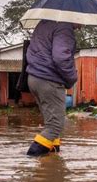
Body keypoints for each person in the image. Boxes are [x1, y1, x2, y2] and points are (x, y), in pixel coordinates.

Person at [26, 20, 79, 156]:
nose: (84, 23)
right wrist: (72, 78)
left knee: (52, 124)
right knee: (55, 126)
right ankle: (30, 161)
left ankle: (53, 163)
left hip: (34, 78)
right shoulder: (64, 27)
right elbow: (61, 57)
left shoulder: (44, 24)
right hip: (49, 80)